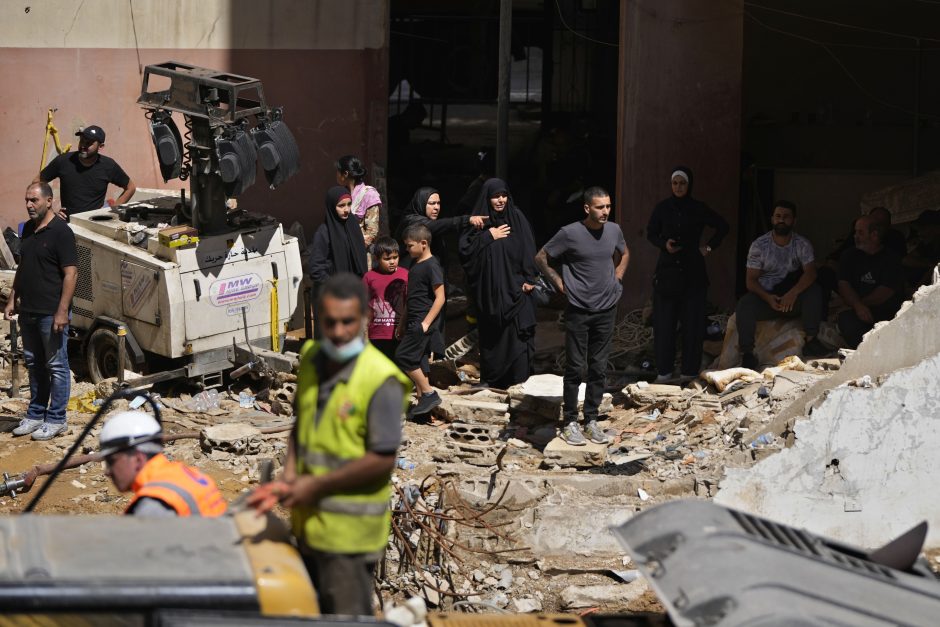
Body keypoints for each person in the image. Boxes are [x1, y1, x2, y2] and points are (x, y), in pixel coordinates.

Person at [247, 273, 410, 616]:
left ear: (365, 318)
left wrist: (315, 485)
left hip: (349, 538)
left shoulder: (381, 380)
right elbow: (300, 425)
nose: (338, 332)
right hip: (309, 525)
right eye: (330, 322)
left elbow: (382, 458)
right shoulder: (313, 359)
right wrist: (289, 475)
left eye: (348, 322)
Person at [536, 187, 629, 446]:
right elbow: (541, 257)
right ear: (587, 208)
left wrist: (618, 277)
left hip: (607, 307)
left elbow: (626, 252)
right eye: (600, 207)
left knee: (599, 367)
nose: (605, 212)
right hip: (579, 308)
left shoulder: (614, 230)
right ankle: (570, 423)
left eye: (608, 206)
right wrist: (558, 282)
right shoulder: (570, 233)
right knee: (575, 367)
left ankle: (591, 420)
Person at [5, 183, 77, 441]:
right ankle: (36, 415)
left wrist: (62, 311)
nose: (29, 205)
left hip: (50, 312)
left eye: (34, 200)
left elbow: (71, 274)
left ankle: (56, 418)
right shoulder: (28, 231)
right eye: (26, 200)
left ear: (49, 201)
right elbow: (23, 268)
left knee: (56, 365)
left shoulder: (62, 232)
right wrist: (13, 298)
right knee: (35, 365)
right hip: (29, 311)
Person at [646, 167, 729, 382]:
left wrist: (708, 248)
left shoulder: (698, 208)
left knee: (693, 325)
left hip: (693, 272)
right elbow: (651, 233)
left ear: (689, 185)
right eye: (675, 183)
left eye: (682, 183)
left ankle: (689, 373)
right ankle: (664, 372)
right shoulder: (663, 208)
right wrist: (664, 244)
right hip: (667, 272)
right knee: (664, 325)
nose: (678, 187)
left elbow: (722, 226)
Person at [459, 178, 538, 389]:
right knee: (492, 337)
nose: (500, 200)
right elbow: (465, 253)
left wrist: (530, 278)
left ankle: (519, 382)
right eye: (495, 196)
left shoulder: (516, 217)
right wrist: (487, 237)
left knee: (518, 337)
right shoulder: (479, 222)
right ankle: (493, 379)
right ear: (487, 198)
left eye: (503, 195)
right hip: (490, 294)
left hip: (517, 291)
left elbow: (528, 249)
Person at [736, 201, 827, 369]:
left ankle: (812, 340)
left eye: (786, 217)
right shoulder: (759, 245)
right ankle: (747, 353)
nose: (781, 220)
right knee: (744, 304)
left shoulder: (802, 244)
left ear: (794, 221)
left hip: (793, 298)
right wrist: (768, 298)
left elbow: (811, 272)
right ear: (772, 219)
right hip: (768, 298)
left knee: (814, 291)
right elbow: (750, 281)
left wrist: (793, 293)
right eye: (778, 216)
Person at [99, 410, 227, 517]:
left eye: (111, 461)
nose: (107, 471)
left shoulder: (153, 507)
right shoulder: (191, 475)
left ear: (138, 459)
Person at [396, 224, 445, 417]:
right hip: (413, 320)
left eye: (409, 246)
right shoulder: (416, 265)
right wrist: (402, 322)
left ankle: (429, 393)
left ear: (423, 244)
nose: (407, 249)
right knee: (419, 361)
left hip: (422, 322)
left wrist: (426, 323)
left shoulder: (432, 265)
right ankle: (422, 407)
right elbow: (411, 298)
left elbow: (440, 297)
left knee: (403, 356)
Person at [36, 125, 136, 216]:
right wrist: (49, 212)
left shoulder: (108, 165)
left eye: (88, 143)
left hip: (94, 224)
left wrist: (112, 211)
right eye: (82, 141)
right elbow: (37, 182)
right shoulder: (63, 161)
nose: (83, 145)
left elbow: (130, 188)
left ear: (100, 147)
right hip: (68, 224)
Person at [308, 186, 368, 337]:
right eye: (341, 206)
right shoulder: (324, 232)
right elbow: (316, 269)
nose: (346, 209)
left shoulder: (352, 225)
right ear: (331, 206)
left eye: (349, 204)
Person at [837, 215, 904, 348]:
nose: (855, 236)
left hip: (886, 311)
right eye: (855, 232)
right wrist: (857, 306)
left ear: (874, 235)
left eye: (860, 232)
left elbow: (886, 290)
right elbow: (844, 284)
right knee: (846, 321)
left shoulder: (891, 258)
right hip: (857, 310)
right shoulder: (849, 255)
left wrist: (861, 305)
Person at [396, 186, 486, 270]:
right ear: (421, 203)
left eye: (438, 203)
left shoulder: (430, 221)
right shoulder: (411, 221)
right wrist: (467, 220)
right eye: (432, 203)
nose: (436, 207)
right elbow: (438, 225)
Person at [363, 236, 409, 362]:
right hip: (377, 334)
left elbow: (409, 302)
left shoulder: (405, 275)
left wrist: (404, 326)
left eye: (395, 257)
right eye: (387, 259)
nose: (392, 262)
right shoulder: (369, 277)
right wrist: (365, 334)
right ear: (377, 259)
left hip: (399, 331)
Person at [336, 155, 383, 248]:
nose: (336, 174)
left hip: (359, 252)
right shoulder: (340, 193)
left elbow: (371, 232)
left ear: (345, 173)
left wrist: (352, 248)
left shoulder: (369, 195)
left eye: (337, 171)